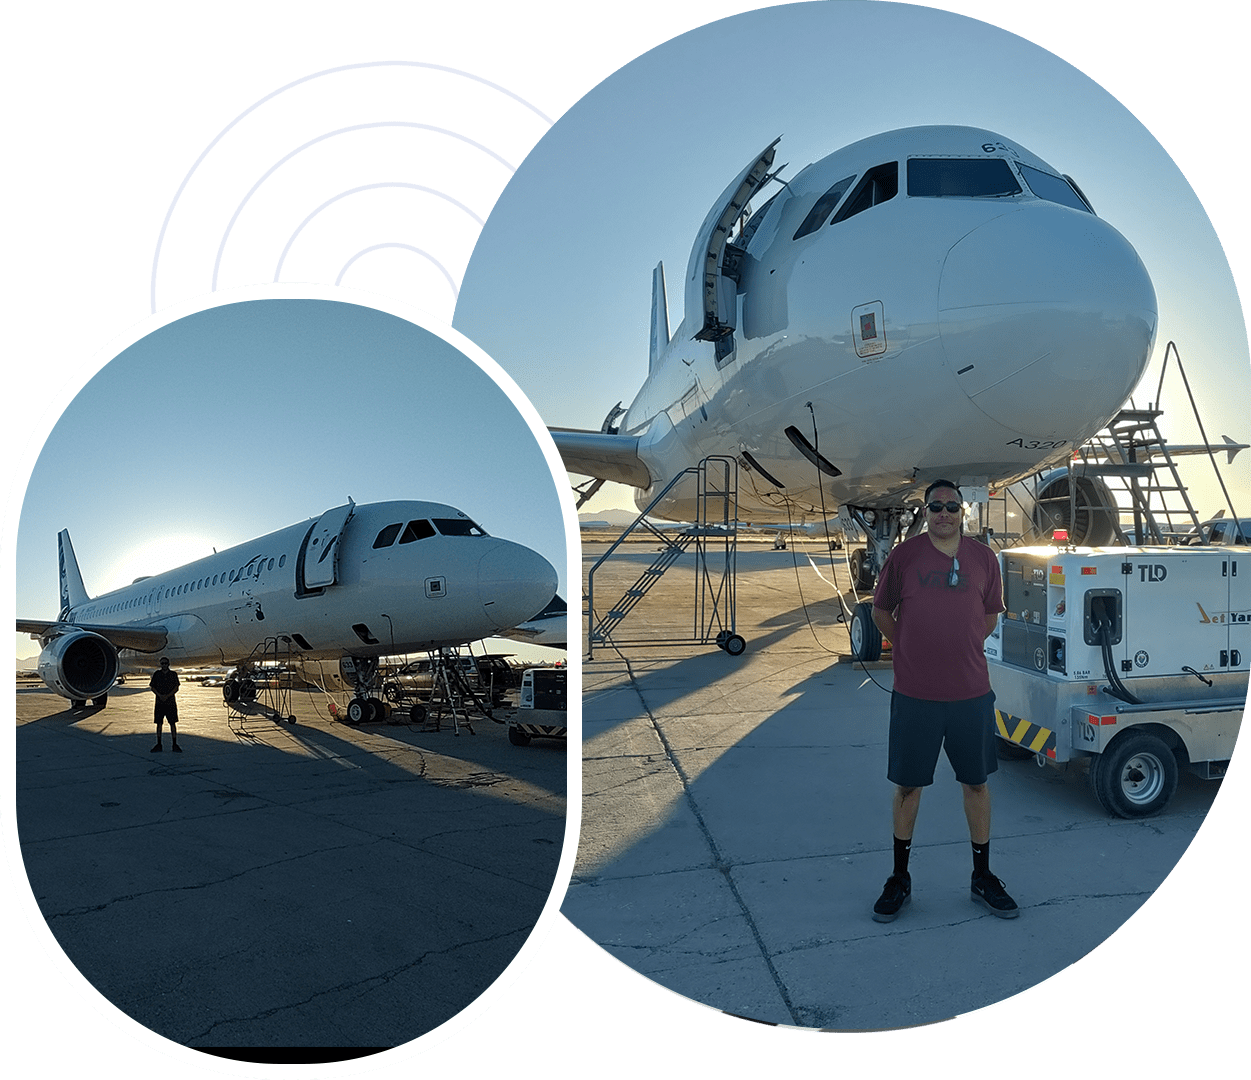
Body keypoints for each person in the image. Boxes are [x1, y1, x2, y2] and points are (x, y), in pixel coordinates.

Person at [869, 480, 1017, 921]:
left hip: (971, 694)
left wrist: (960, 647)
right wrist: (909, 646)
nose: (944, 513)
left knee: (977, 784)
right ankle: (899, 877)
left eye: (952, 506)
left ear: (962, 511)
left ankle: (982, 876)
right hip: (916, 696)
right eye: (936, 506)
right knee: (908, 787)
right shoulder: (904, 556)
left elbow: (989, 617)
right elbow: (881, 611)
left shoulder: (983, 559)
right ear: (926, 511)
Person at [149, 657, 182, 753]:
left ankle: (174, 744)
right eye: (162, 663)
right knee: (159, 723)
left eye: (165, 663)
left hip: (170, 702)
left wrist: (167, 696)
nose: (164, 665)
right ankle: (159, 744)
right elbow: (152, 687)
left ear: (168, 664)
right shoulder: (157, 674)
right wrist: (160, 695)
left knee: (173, 723)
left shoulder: (173, 674)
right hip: (160, 702)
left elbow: (176, 687)